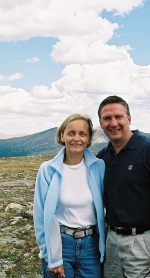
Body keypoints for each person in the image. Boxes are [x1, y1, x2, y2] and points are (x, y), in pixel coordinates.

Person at [96, 95, 150, 278]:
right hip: (112, 241)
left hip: (143, 241)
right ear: (101, 124)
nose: (113, 123)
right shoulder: (103, 157)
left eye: (119, 117)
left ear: (129, 119)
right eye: (107, 118)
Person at [33, 113, 106, 278]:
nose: (76, 138)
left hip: (91, 246)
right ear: (62, 136)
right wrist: (51, 256)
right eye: (71, 133)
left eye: (82, 134)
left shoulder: (98, 167)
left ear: (89, 139)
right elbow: (40, 216)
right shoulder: (48, 170)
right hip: (60, 243)